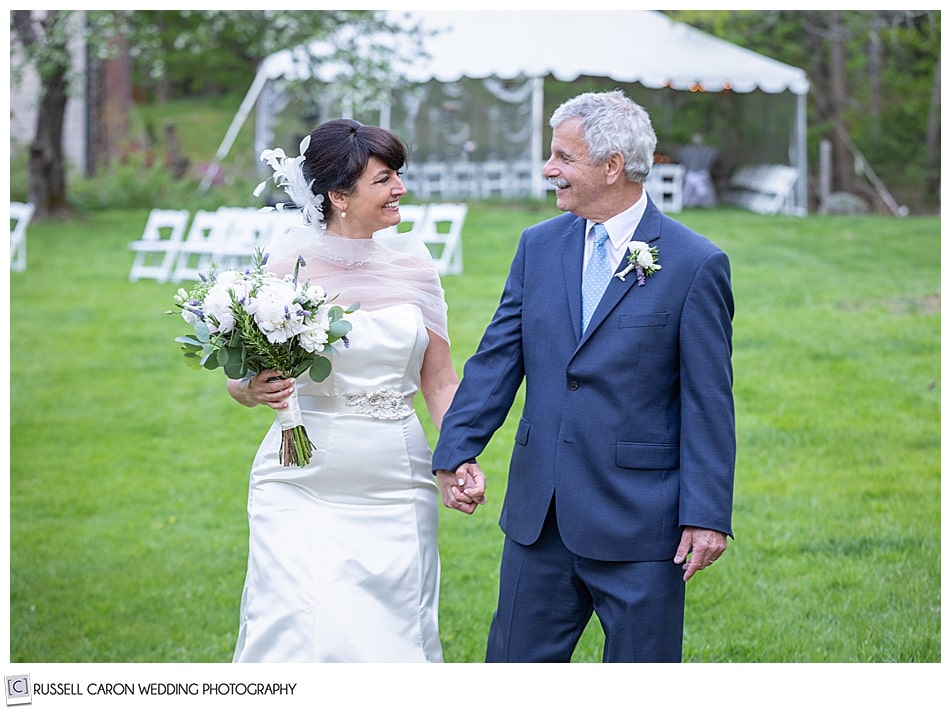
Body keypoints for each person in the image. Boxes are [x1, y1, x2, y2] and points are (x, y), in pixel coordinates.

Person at [433, 90, 735, 663]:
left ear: (613, 164)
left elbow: (708, 402)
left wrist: (706, 515)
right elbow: (498, 358)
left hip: (642, 524)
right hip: (538, 517)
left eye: (563, 157)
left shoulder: (695, 263)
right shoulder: (538, 246)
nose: (549, 170)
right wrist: (456, 450)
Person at [226, 118, 485, 662]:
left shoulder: (415, 265)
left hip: (397, 480)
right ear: (339, 195)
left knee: (390, 636)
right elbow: (238, 379)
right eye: (385, 179)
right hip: (298, 478)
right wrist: (255, 389)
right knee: (296, 627)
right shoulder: (286, 267)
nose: (400, 190)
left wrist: (460, 453)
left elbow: (439, 378)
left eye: (398, 176)